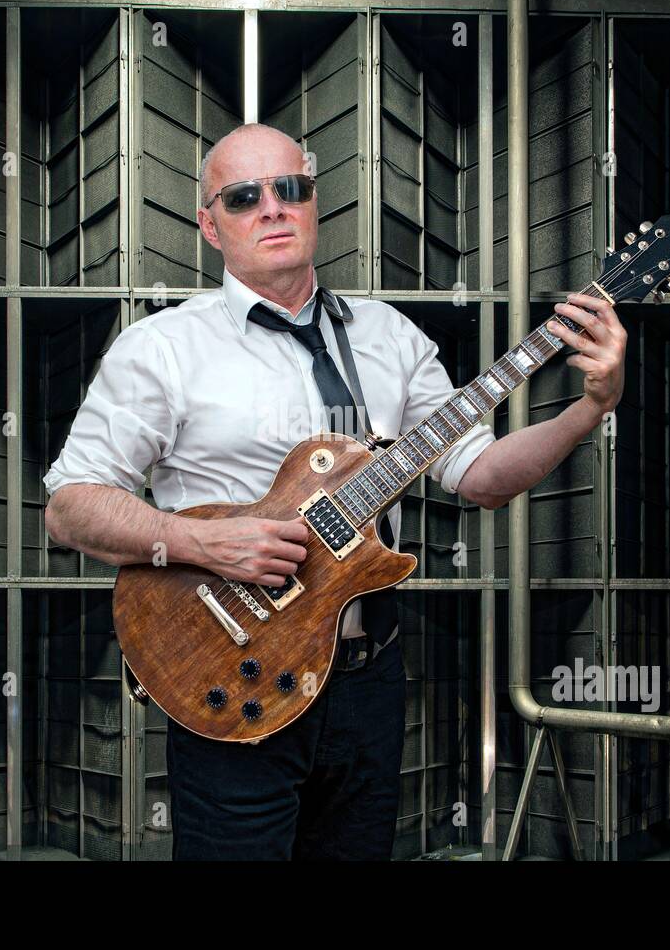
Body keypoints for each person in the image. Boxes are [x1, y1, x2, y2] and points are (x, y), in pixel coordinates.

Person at [42, 122, 626, 860]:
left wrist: (590, 407)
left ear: (315, 203)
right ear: (209, 224)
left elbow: (479, 477)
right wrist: (202, 541)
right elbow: (69, 504)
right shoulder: (162, 348)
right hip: (229, 670)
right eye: (245, 195)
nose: (273, 208)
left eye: (291, 189)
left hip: (363, 682)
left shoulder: (390, 338)